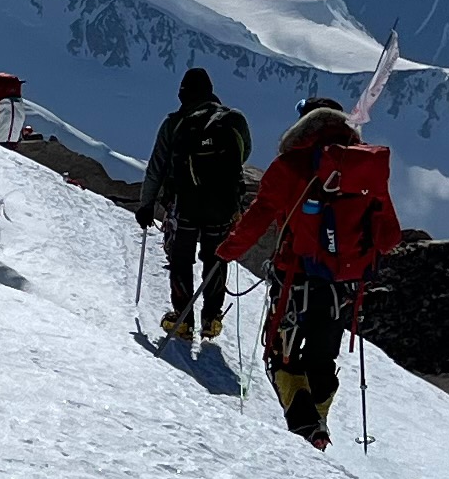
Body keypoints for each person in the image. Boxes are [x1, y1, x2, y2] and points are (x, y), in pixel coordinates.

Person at [219, 93, 401, 448]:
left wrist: (227, 251)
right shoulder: (364, 171)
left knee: (280, 355)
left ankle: (305, 429)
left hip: (294, 280)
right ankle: (316, 427)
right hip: (342, 287)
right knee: (321, 359)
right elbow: (390, 236)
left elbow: (259, 215)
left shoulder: (292, 164)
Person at [133, 65, 253, 343]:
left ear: (182, 94)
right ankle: (211, 318)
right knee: (215, 259)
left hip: (183, 204)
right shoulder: (234, 120)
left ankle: (183, 319)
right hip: (222, 205)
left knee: (180, 259)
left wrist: (146, 204)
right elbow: (244, 152)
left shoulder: (174, 123)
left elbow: (157, 167)